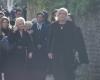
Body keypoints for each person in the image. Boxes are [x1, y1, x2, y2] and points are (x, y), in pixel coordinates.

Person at [48, 8, 89, 80]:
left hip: (68, 52)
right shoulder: (53, 26)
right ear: (57, 15)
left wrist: (78, 51)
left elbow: (77, 40)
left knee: (69, 71)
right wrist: (49, 51)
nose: (62, 15)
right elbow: (49, 39)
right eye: (60, 13)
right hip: (56, 52)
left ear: (67, 16)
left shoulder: (71, 26)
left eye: (64, 14)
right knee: (57, 71)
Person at [31, 12, 49, 80]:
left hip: (43, 49)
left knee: (42, 65)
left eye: (41, 17)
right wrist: (35, 45)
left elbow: (47, 38)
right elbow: (31, 38)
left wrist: (42, 45)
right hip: (35, 49)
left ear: (43, 18)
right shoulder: (33, 26)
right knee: (35, 64)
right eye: (38, 17)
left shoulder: (46, 27)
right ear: (36, 18)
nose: (39, 18)